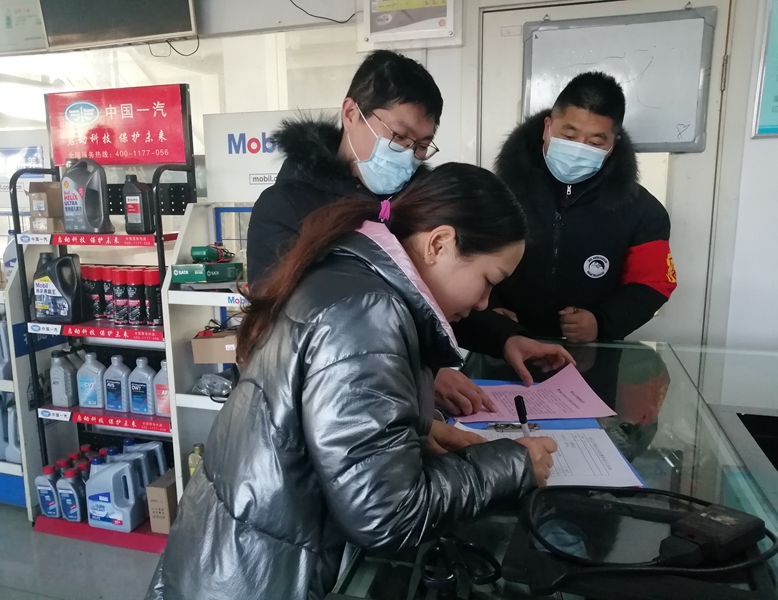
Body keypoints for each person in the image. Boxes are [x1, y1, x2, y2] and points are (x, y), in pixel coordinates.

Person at [146, 163, 561, 600]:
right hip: (259, 573)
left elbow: (320, 424)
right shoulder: (368, 313)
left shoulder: (352, 277)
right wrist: (513, 465)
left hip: (236, 553)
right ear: (438, 243)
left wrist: (410, 432)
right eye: (488, 281)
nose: (483, 304)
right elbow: (387, 516)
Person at [247, 49, 572, 415]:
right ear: (351, 113)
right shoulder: (284, 208)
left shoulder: (409, 198)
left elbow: (433, 292)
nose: (408, 155)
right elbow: (286, 333)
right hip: (317, 406)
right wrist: (422, 372)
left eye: (421, 145)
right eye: (400, 137)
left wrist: (505, 337)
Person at [455, 71, 677, 349]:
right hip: (503, 348)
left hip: (590, 357)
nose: (579, 150)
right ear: (547, 127)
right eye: (569, 135)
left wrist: (602, 322)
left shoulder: (643, 211)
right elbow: (465, 258)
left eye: (595, 143)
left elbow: (653, 284)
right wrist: (489, 310)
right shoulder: (496, 193)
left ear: (613, 144)